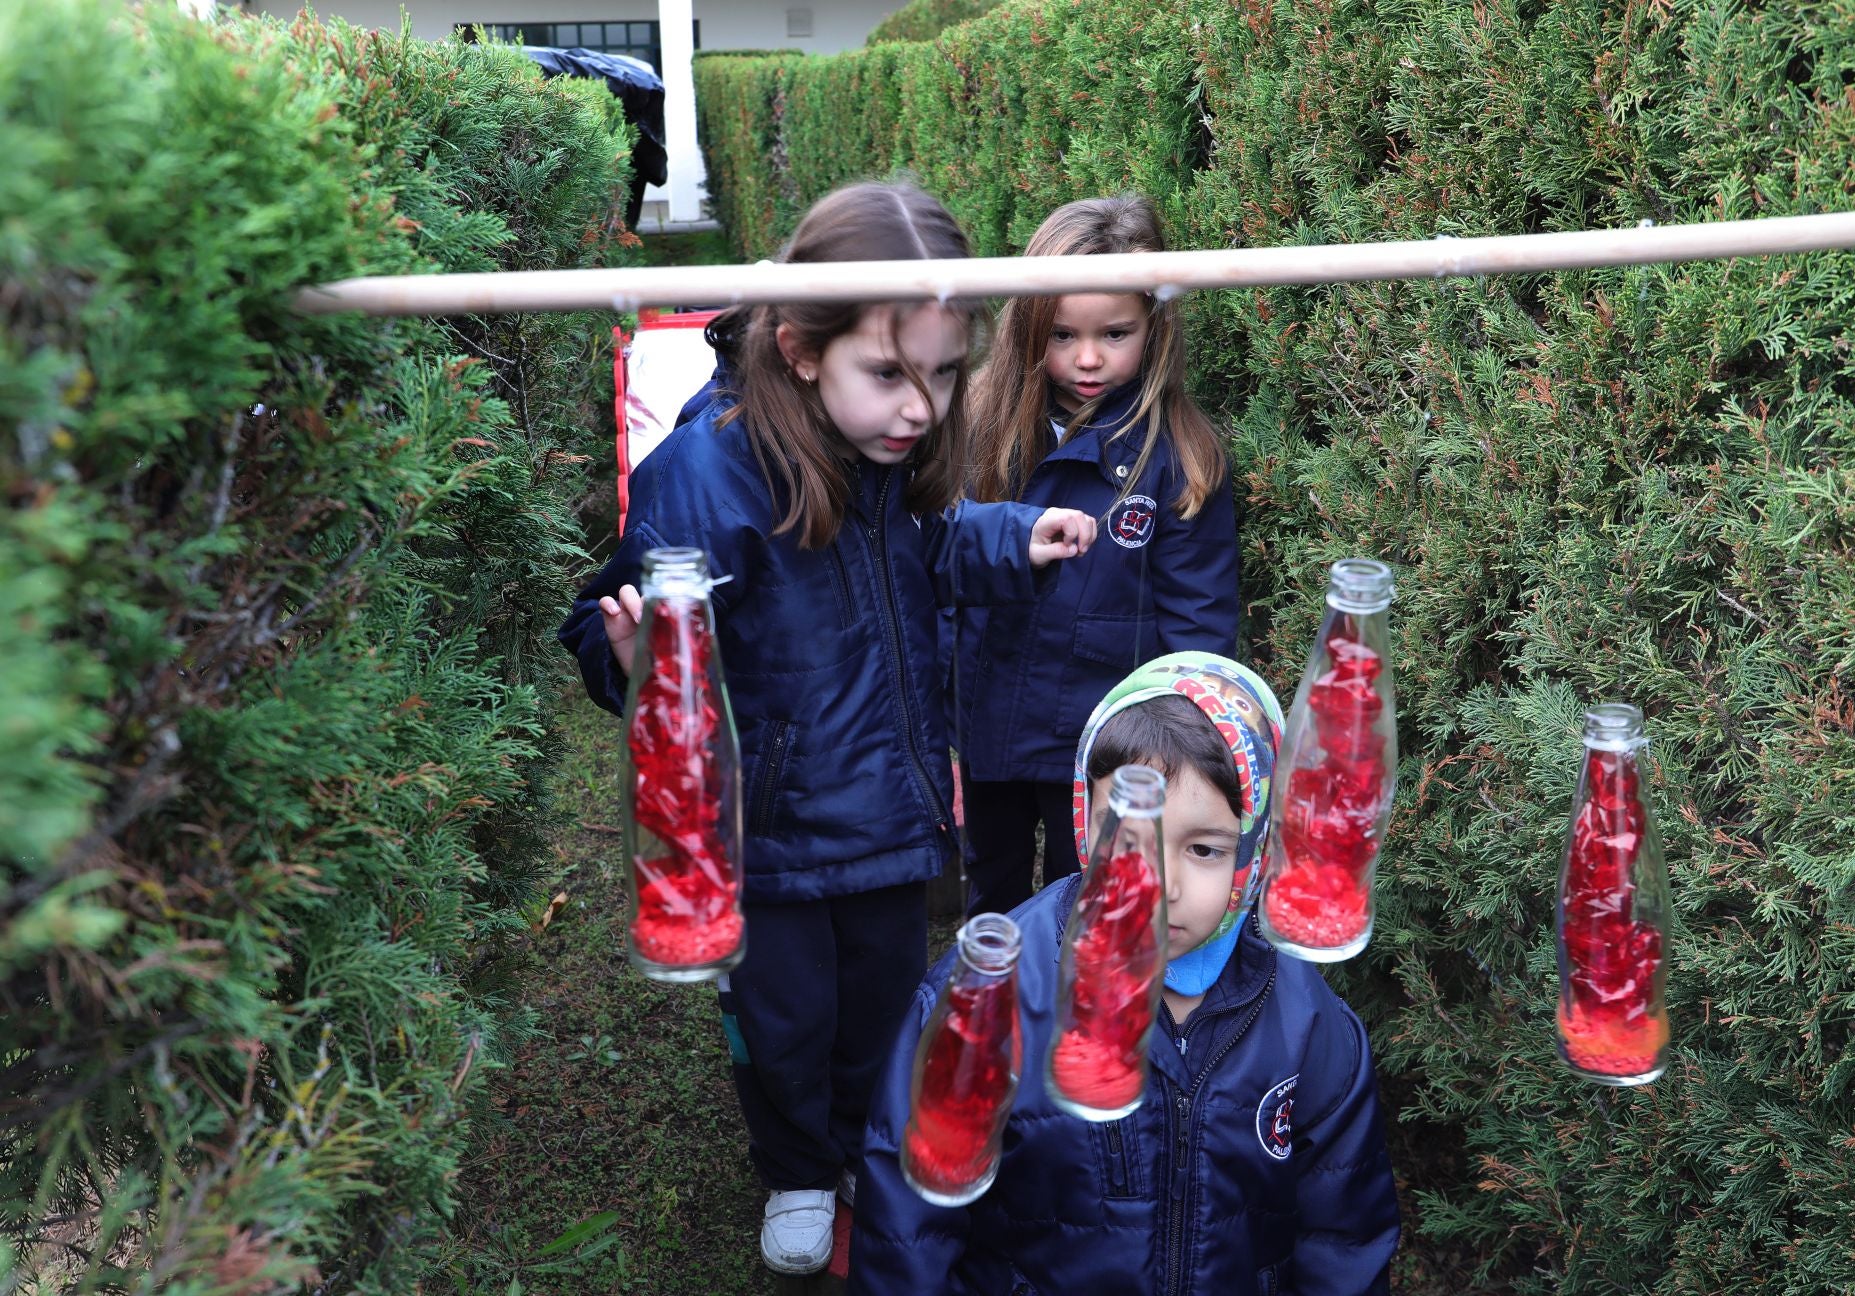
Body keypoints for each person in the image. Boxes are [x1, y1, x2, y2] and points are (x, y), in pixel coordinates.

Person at [558, 182, 1097, 1276]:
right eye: (890, 374)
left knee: (885, 1008)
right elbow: (616, 629)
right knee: (788, 1020)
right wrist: (629, 657)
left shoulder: (897, 464)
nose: (922, 407)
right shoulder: (703, 481)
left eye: (945, 375)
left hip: (892, 813)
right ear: (802, 349)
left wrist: (1013, 537)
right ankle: (800, 1161)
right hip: (771, 833)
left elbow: (939, 545)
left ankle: (867, 1145)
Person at [852, 653, 1401, 1294]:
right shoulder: (993, 995)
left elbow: (1343, 1237)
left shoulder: (1308, 1023)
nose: (1158, 885)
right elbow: (910, 1224)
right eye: (1130, 840)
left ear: (1256, 850)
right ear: (1087, 826)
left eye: (1203, 849)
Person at [955, 194, 1239, 917]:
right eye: (1061, 334)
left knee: (1092, 901)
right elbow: (939, 579)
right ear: (1027, 328)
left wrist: (1180, 752)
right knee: (992, 895)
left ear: (1155, 326)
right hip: (989, 730)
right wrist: (937, 727)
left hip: (1108, 747)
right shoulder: (982, 429)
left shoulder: (1181, 455)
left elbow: (1198, 625)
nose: (1087, 358)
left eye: (1115, 333)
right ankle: (999, 1019)